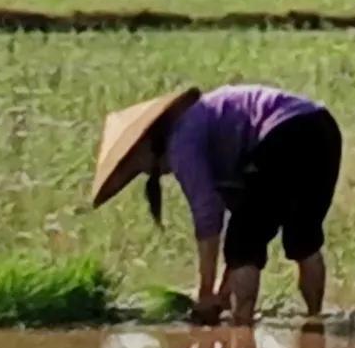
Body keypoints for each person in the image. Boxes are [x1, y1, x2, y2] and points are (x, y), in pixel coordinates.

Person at [91, 81, 342, 326]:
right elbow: (242, 207)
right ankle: (315, 319)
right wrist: (222, 291)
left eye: (138, 164)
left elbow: (208, 214)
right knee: (303, 239)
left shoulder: (182, 140)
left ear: (146, 145)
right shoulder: (204, 124)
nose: (144, 171)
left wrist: (205, 293)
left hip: (284, 132)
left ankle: (241, 326)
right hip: (322, 128)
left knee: (244, 245)